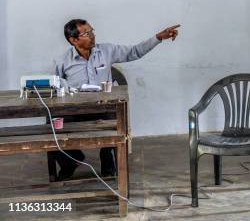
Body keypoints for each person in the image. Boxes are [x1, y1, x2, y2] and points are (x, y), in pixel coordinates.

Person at [52, 19, 180, 180]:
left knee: (115, 121)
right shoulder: (62, 61)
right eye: (87, 33)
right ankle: (71, 160)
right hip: (76, 109)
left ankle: (108, 161)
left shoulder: (106, 51)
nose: (93, 36)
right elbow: (56, 87)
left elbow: (135, 51)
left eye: (92, 31)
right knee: (51, 127)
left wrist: (159, 37)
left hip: (103, 108)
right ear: (74, 40)